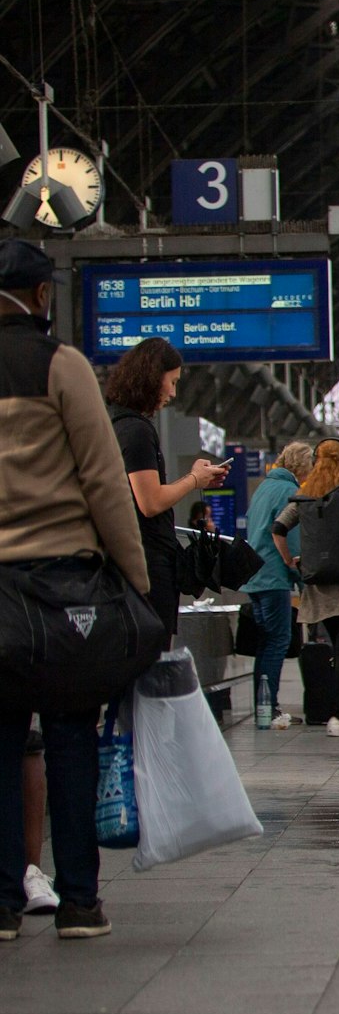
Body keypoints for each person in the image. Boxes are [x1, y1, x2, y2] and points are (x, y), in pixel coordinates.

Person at [0, 239, 150, 940]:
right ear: (39, 298)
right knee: (69, 737)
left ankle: (3, 904)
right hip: (65, 586)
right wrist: (136, 577)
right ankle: (81, 903)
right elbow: (102, 480)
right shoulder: (60, 364)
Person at [101, 337, 230, 642]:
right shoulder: (136, 430)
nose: (172, 393)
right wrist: (194, 480)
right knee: (152, 658)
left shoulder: (116, 424)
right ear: (150, 377)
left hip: (130, 561)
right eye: (171, 382)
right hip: (148, 566)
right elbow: (150, 502)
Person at [271, 440, 339, 737]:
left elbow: (278, 528)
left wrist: (290, 561)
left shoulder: (304, 494)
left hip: (320, 583)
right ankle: (337, 716)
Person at [242, 442, 312, 729]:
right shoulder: (288, 492)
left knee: (265, 643)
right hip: (274, 577)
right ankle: (268, 710)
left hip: (255, 576)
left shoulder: (263, 488)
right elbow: (291, 539)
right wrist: (301, 576)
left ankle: (263, 708)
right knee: (278, 642)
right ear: (300, 465)